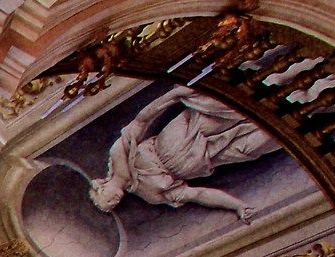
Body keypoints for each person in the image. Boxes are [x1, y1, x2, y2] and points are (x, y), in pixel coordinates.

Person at [89, 87, 278, 219]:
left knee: (234, 109)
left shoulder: (118, 153)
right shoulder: (150, 196)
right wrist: (236, 205)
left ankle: (285, 81)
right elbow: (197, 194)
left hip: (183, 135)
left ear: (101, 187)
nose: (114, 202)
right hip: (204, 160)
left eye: (107, 200)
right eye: (112, 206)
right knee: (253, 145)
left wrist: (171, 96)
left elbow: (141, 121)